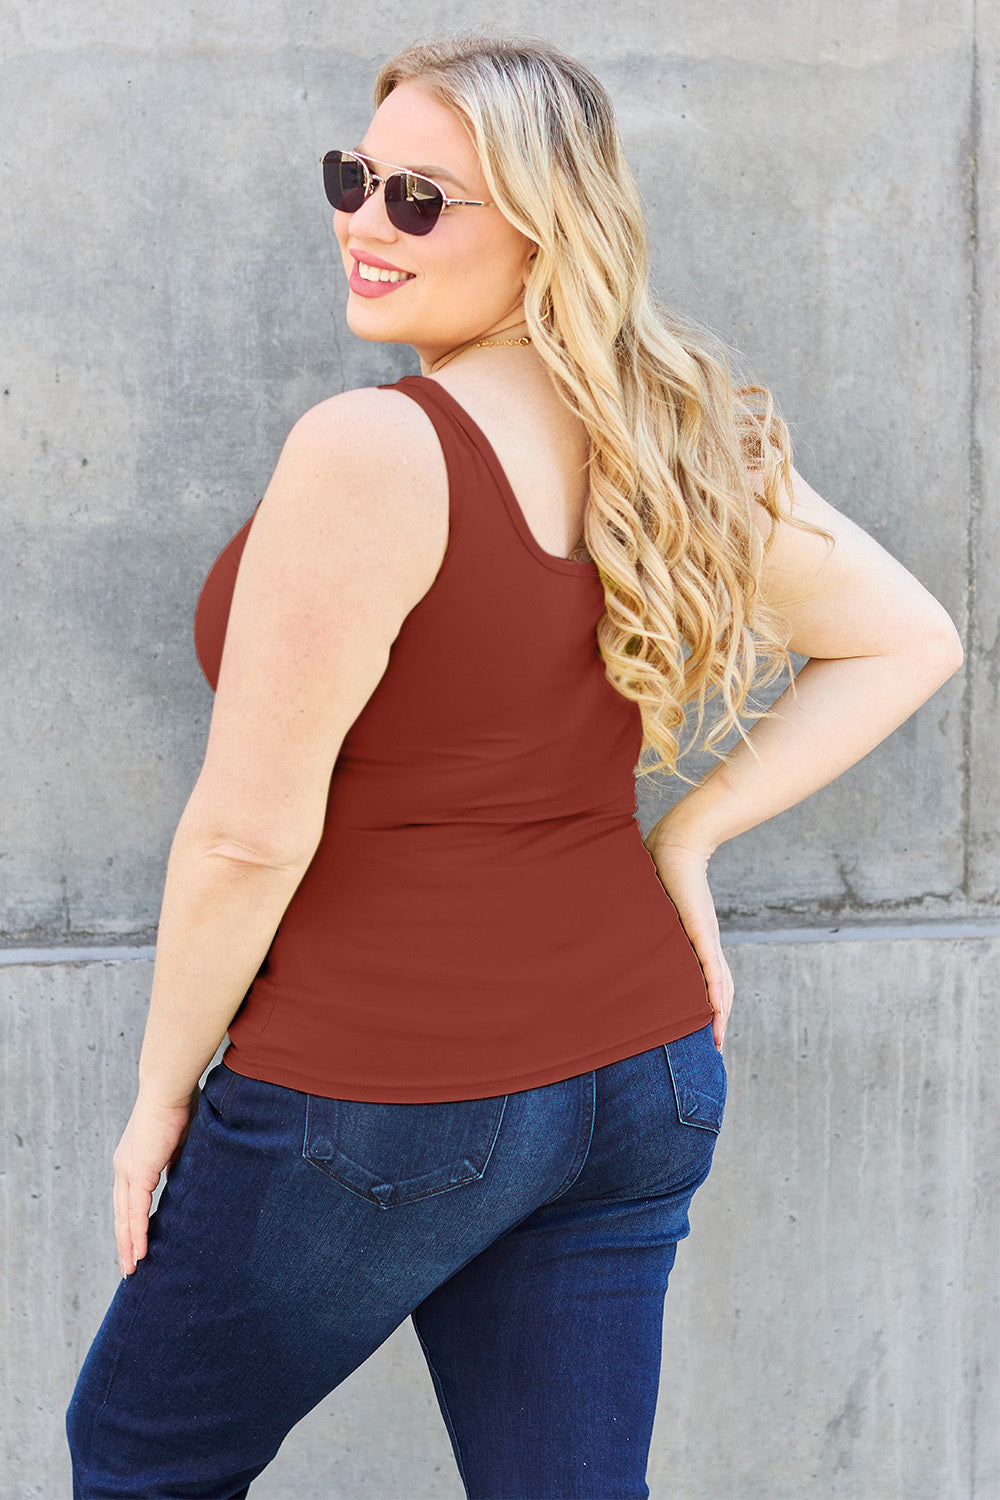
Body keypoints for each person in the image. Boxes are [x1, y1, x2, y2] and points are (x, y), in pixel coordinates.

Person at [65, 30, 963, 1500]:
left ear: (548, 229)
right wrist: (681, 843)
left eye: (422, 199)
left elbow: (244, 838)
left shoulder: (373, 449)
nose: (364, 219)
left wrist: (159, 1100)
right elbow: (908, 638)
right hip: (642, 1074)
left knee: (142, 1458)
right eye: (355, 177)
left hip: (382, 1085)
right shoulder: (679, 439)